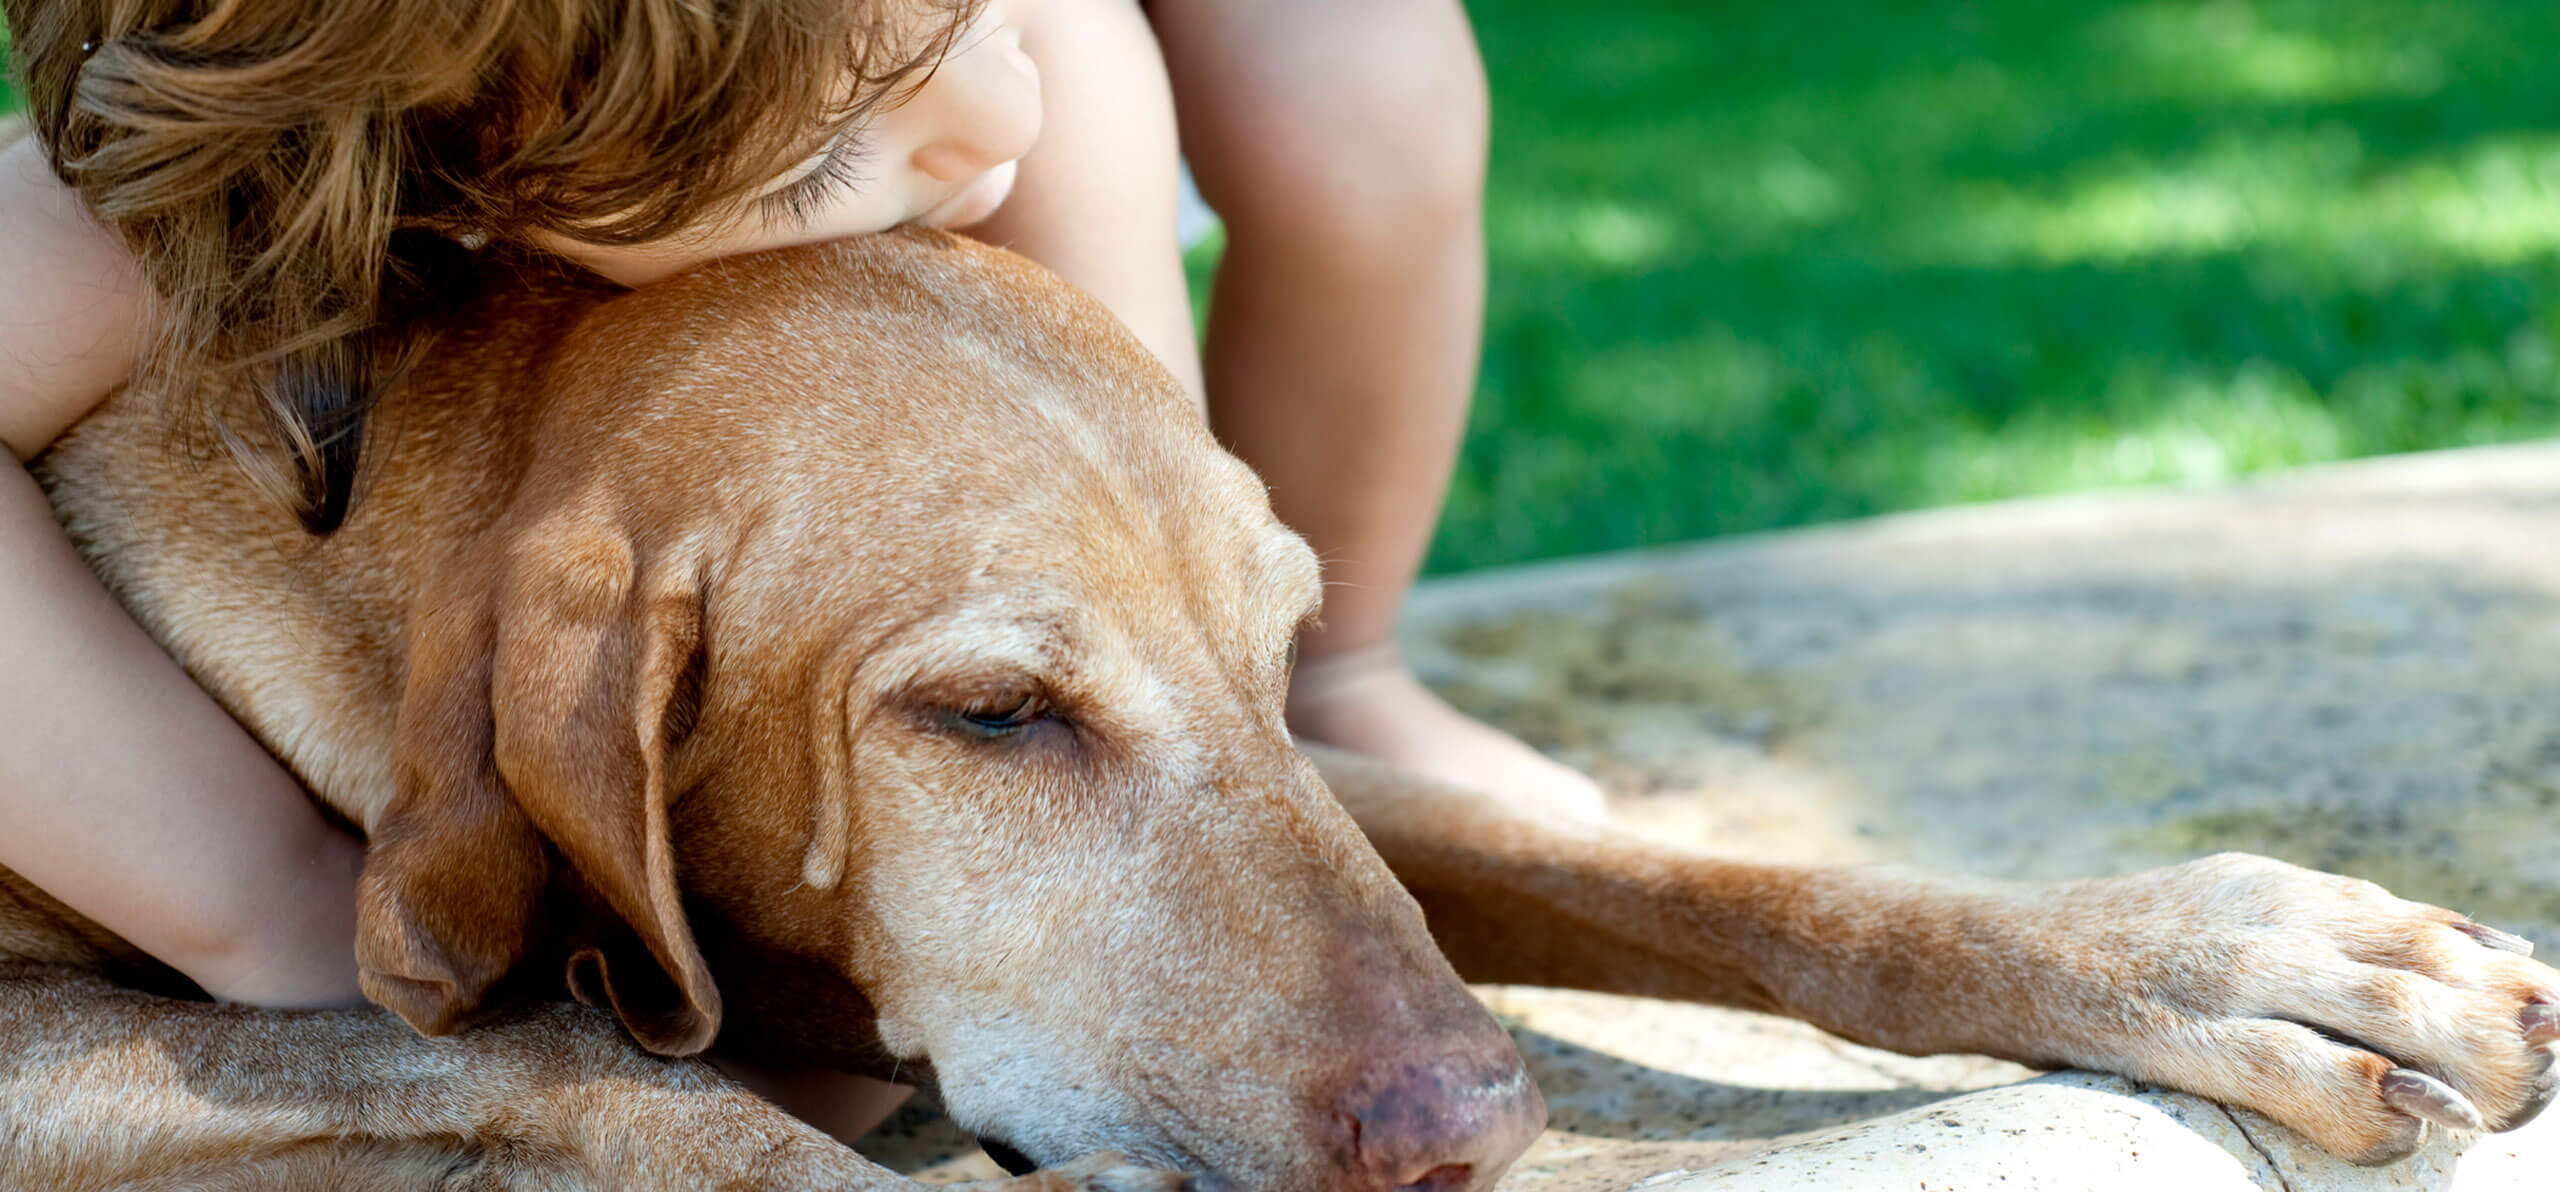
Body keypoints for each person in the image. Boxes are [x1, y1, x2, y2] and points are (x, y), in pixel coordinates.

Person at [0, 0, 1596, 1141]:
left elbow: (1130, 574)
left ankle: (1349, 668)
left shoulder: (1037, 74)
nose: (1004, 112)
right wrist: (259, 903)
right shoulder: (175, 217)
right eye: (835, 139)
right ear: (495, 152)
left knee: (1363, 96)